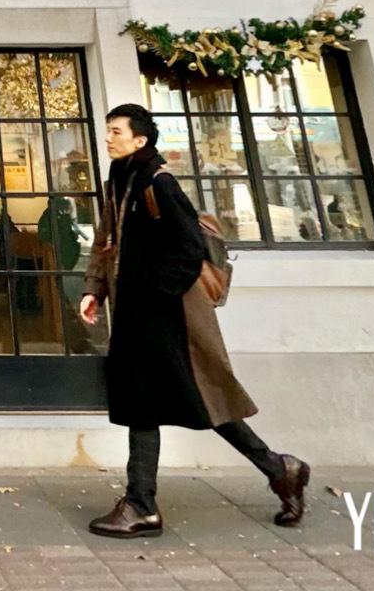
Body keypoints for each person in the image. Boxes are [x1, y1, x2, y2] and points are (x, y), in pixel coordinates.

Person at [78, 102, 308, 539]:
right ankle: (145, 502)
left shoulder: (158, 182)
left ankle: (276, 469)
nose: (108, 138)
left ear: (139, 140)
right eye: (108, 130)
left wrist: (151, 295)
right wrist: (95, 288)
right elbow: (107, 240)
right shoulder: (120, 177)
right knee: (144, 402)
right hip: (137, 312)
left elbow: (189, 248)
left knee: (195, 399)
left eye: (116, 131)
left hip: (167, 316)